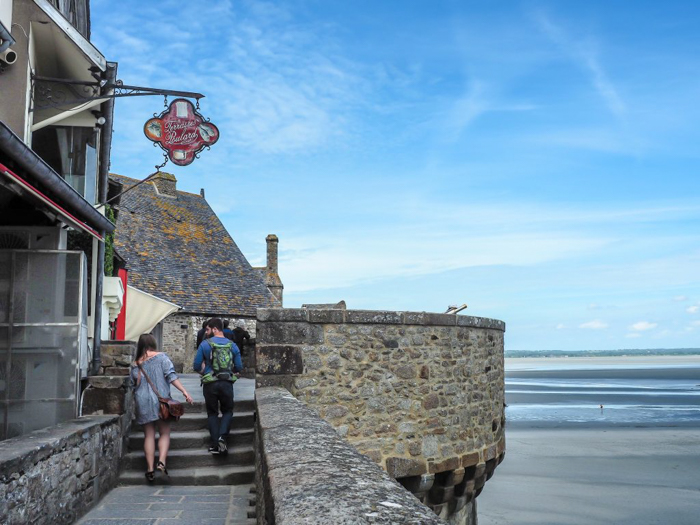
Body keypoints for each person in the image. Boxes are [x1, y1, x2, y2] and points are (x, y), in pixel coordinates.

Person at [131, 334, 193, 481]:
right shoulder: (162, 358)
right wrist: (184, 391)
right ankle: (162, 462)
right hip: (161, 401)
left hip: (142, 400)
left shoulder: (136, 364)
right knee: (164, 432)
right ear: (153, 343)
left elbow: (133, 383)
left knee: (149, 435)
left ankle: (150, 469)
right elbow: (171, 376)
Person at [193, 318, 243, 455]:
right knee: (227, 411)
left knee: (212, 413)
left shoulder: (205, 344)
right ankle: (223, 437)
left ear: (215, 329)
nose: (206, 332)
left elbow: (196, 365)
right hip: (227, 383)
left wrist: (205, 372)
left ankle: (215, 444)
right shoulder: (232, 345)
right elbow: (239, 367)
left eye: (208, 329)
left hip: (210, 384)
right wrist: (229, 373)